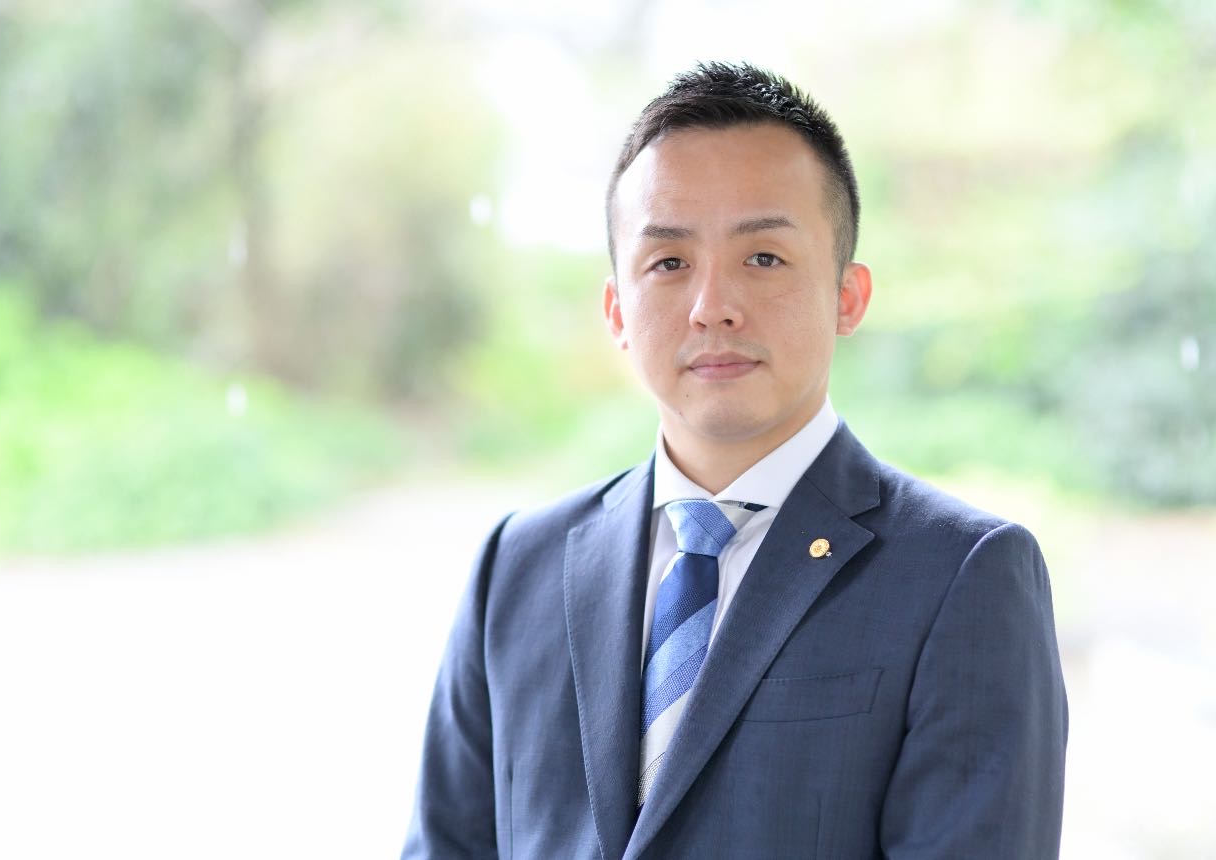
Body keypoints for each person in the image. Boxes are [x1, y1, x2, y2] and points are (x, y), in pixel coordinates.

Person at [402, 61, 1067, 859]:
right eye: (668, 263)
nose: (711, 306)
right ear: (616, 310)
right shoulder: (517, 565)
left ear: (847, 295)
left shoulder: (962, 575)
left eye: (763, 258)